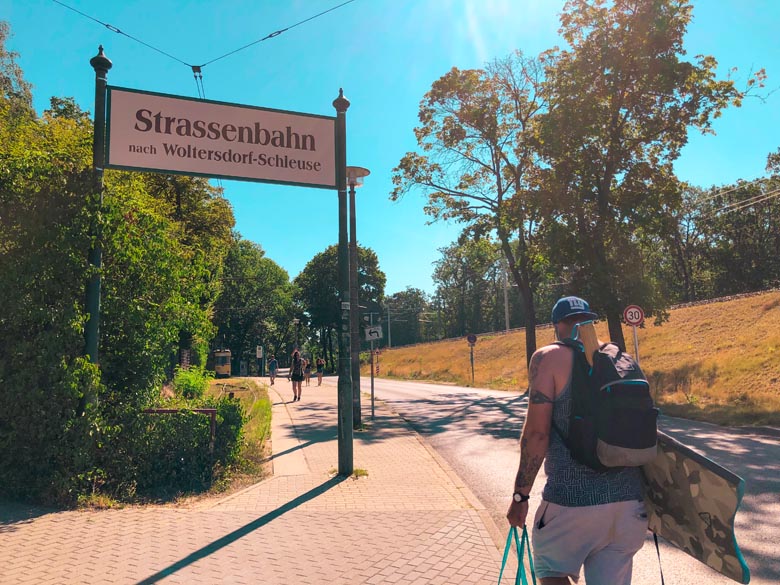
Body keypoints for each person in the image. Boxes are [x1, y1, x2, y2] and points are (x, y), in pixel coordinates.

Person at [506, 296, 647, 585]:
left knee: (552, 575)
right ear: (589, 320)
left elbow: (537, 434)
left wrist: (520, 496)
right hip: (629, 506)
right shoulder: (621, 359)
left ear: (557, 325)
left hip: (571, 504)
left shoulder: (548, 358)